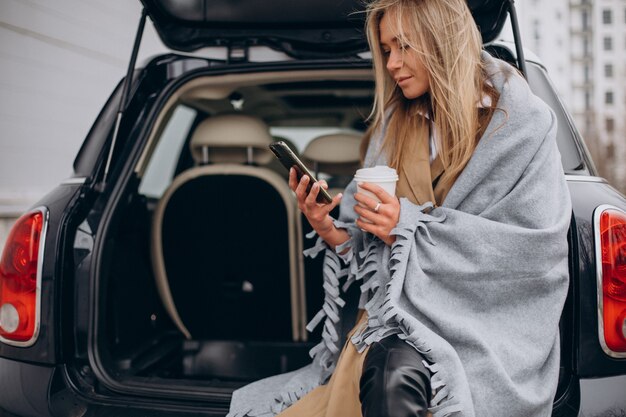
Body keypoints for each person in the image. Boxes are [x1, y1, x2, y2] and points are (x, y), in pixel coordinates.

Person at [227, 0, 571, 416]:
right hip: (399, 321)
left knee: (394, 369)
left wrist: (407, 227)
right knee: (390, 365)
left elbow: (531, 254)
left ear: (441, 42)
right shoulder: (394, 127)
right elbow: (368, 255)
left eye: (403, 46)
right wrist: (330, 228)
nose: (391, 63)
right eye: (386, 50)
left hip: (489, 327)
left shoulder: (521, 126)